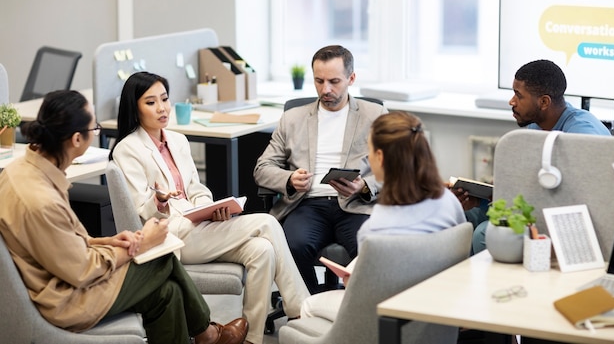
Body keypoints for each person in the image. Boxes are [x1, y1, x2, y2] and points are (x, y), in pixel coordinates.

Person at [0, 90, 248, 344]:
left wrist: (110, 241)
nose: (95, 132)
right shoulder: (40, 200)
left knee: (168, 292)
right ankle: (208, 334)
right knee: (160, 257)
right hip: (67, 299)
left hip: (62, 278)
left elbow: (62, 244)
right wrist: (141, 245)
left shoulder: (21, 169)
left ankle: (207, 335)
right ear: (76, 139)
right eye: (94, 128)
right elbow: (82, 270)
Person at [110, 72, 309, 344]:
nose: (162, 108)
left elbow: (196, 189)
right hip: (173, 235)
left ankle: (251, 338)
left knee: (262, 251)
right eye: (150, 102)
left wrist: (208, 209)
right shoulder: (127, 149)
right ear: (135, 108)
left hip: (198, 225)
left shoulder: (178, 140)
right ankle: (300, 310)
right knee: (267, 222)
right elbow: (140, 210)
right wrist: (161, 201)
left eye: (165, 99)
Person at [300, 111, 466, 320]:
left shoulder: (376, 226)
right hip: (441, 308)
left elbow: (367, 292)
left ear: (380, 157)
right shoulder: (448, 202)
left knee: (307, 305)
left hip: (389, 315)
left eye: (369, 151)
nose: (368, 158)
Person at [253, 45, 388, 294]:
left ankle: (355, 310)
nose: (326, 89)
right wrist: (290, 179)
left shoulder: (375, 115)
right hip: (307, 204)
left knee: (371, 248)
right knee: (293, 245)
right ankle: (311, 305)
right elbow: (262, 168)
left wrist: (364, 185)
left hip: (355, 203)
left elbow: (395, 167)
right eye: (319, 81)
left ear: (351, 78)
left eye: (334, 81)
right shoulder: (292, 118)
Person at [470, 59, 611, 253]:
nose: (511, 102)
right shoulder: (537, 126)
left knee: (484, 234)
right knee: (469, 214)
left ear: (544, 102)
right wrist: (488, 196)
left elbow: (577, 196)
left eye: (519, 96)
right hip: (539, 206)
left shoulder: (582, 136)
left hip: (571, 221)